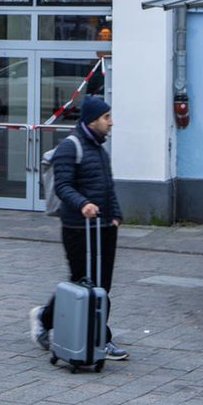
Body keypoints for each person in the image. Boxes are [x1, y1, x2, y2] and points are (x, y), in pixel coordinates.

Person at [27, 95, 128, 361]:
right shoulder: (70, 148)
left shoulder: (99, 149)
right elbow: (63, 186)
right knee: (82, 281)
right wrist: (83, 204)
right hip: (77, 227)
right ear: (92, 120)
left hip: (104, 226)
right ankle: (84, 332)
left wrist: (116, 215)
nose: (111, 123)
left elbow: (109, 186)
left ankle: (88, 333)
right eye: (107, 118)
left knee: (102, 286)